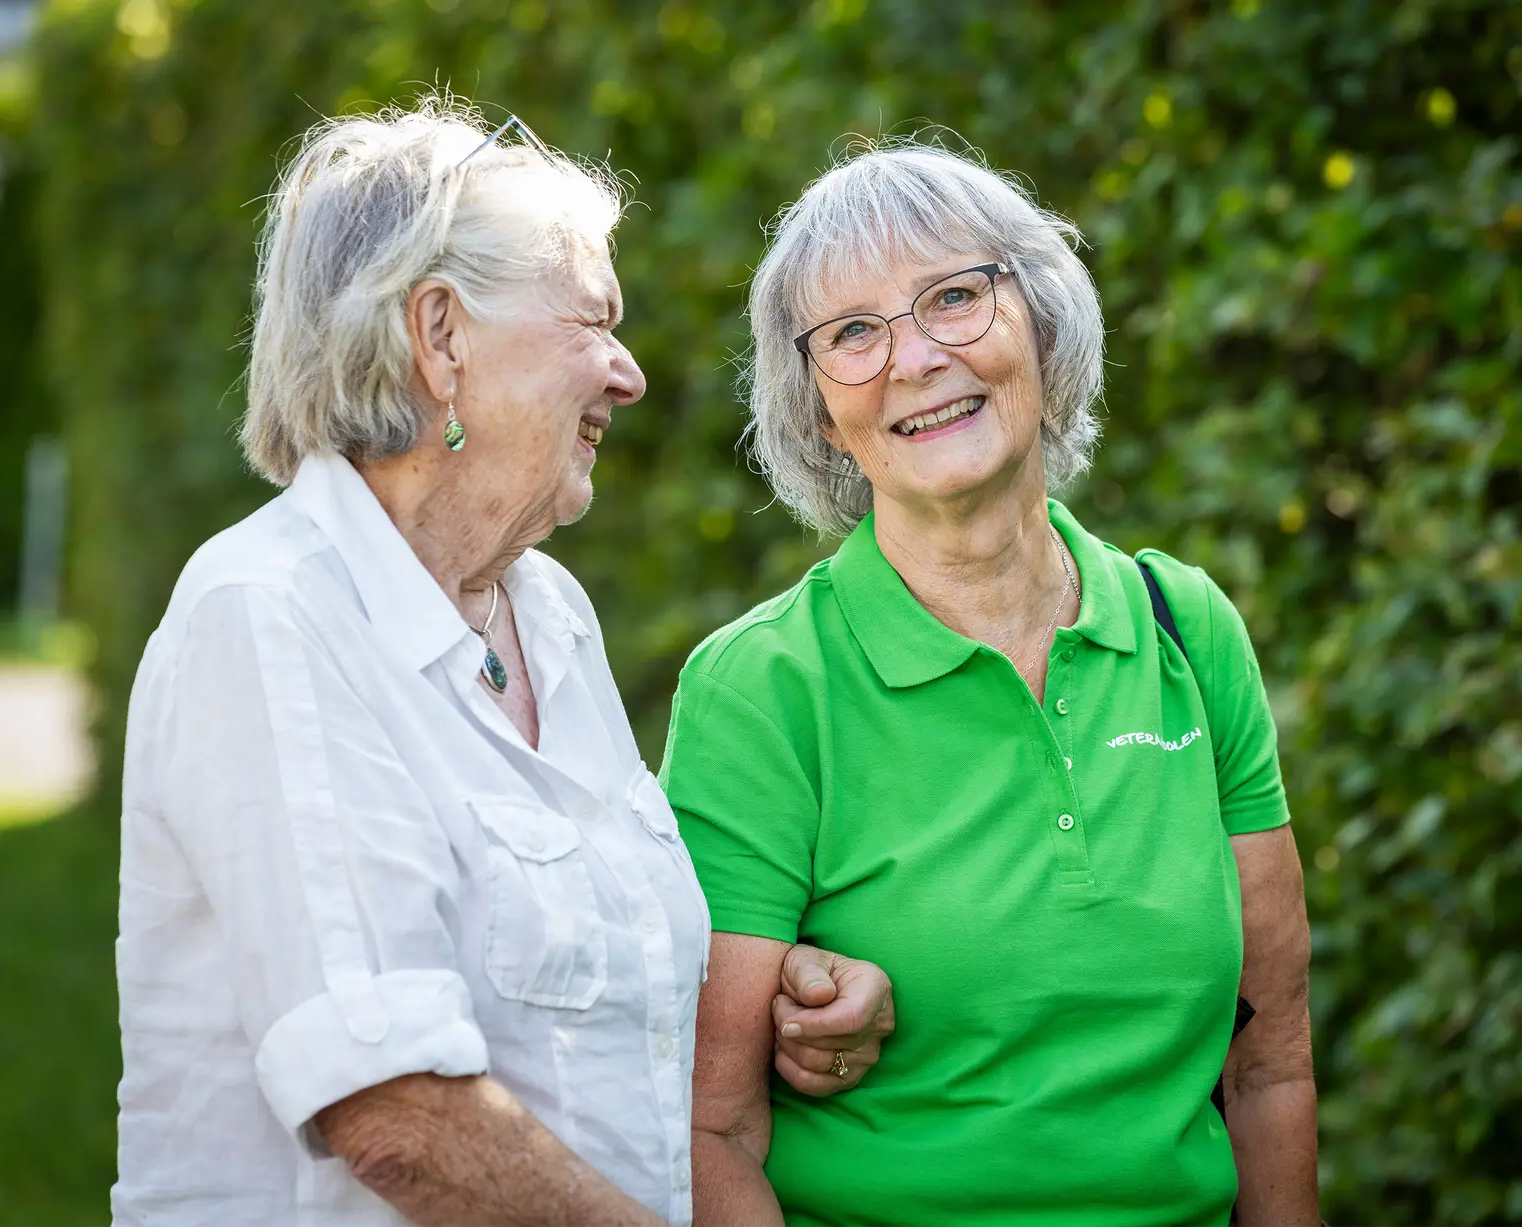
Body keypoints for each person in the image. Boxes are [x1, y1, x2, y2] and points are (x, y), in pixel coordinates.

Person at [111, 97, 894, 1227]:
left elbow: (589, 987)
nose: (627, 374)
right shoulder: (270, 614)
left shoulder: (547, 610)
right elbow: (397, 1113)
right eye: (592, 320)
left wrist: (784, 1000)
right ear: (441, 336)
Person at [661, 141, 1319, 1227]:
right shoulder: (763, 687)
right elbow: (707, 1128)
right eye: (854, 332)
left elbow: (1270, 1064)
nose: (916, 358)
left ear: (1043, 325)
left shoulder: (1187, 630)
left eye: (955, 298)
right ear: (818, 410)